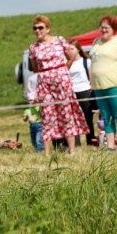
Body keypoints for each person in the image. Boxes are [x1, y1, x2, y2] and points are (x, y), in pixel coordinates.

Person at [28, 15, 88, 155]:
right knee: (47, 114)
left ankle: (72, 149)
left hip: (61, 80)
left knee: (66, 112)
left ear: (48, 28)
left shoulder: (59, 40)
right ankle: (47, 152)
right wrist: (46, 74)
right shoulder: (33, 47)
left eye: (40, 27)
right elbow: (35, 67)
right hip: (44, 81)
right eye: (35, 28)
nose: (37, 30)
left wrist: (62, 71)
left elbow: (71, 56)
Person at [89, 15, 117, 151]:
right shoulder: (96, 41)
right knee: (106, 117)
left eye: (106, 27)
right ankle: (111, 146)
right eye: (101, 27)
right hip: (98, 86)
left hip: (116, 85)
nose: (103, 30)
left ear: (113, 28)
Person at [67, 39, 97, 146]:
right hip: (72, 92)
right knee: (74, 119)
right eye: (68, 49)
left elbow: (91, 77)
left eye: (72, 48)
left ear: (78, 49)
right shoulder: (68, 63)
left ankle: (91, 139)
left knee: (88, 117)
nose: (69, 51)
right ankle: (76, 142)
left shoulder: (86, 62)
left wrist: (92, 88)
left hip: (85, 90)